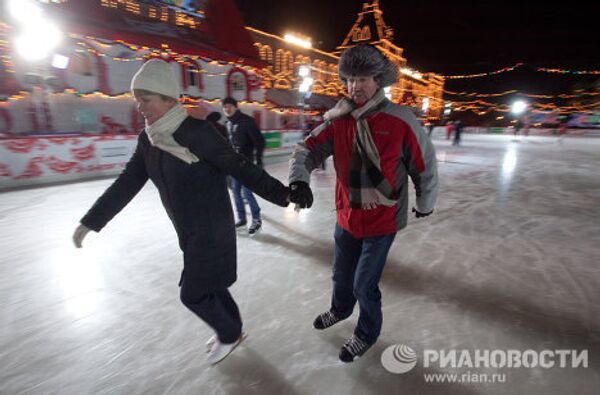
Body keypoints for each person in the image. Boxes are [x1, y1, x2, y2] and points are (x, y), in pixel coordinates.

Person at [72, 60, 290, 365]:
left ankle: (229, 334)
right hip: (188, 231)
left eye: (145, 100)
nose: (140, 107)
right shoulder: (149, 140)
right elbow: (128, 182)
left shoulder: (198, 133)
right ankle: (233, 330)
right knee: (211, 285)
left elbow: (239, 167)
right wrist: (91, 221)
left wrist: (283, 194)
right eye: (137, 100)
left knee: (193, 294)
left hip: (212, 228)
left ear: (168, 99)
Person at [288, 44, 438, 363]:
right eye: (350, 79)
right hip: (346, 216)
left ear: (379, 80)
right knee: (341, 277)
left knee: (363, 284)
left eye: (363, 78)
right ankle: (340, 310)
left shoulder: (400, 119)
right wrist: (299, 179)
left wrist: (426, 201)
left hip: (382, 222)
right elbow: (307, 149)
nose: (355, 86)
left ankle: (366, 332)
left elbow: (423, 164)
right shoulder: (339, 119)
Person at [222, 97, 266, 235]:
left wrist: (258, 160)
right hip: (234, 165)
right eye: (224, 107)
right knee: (235, 192)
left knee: (247, 192)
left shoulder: (247, 121)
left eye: (229, 106)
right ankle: (242, 218)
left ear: (235, 107)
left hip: (247, 164)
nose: (227, 109)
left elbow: (260, 142)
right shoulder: (228, 123)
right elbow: (230, 144)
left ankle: (256, 219)